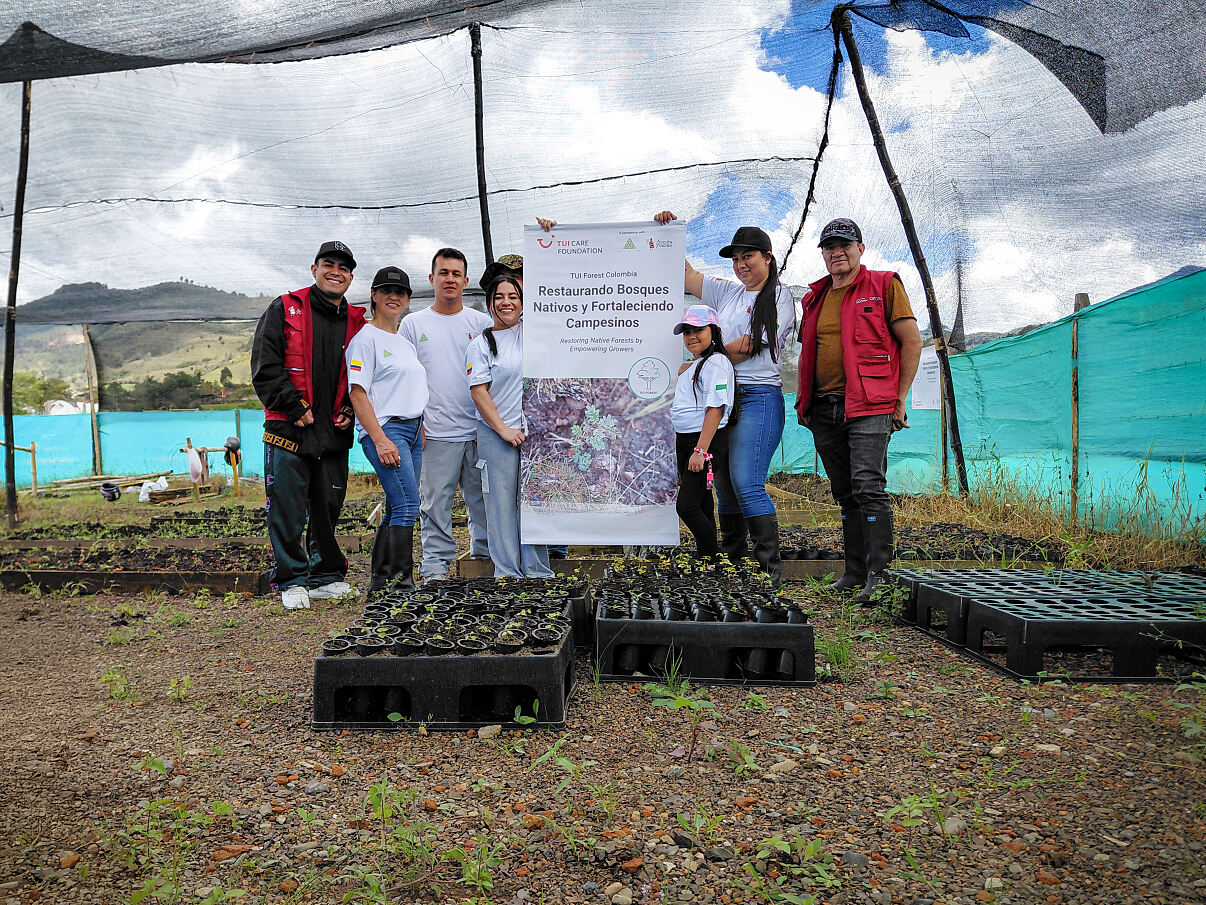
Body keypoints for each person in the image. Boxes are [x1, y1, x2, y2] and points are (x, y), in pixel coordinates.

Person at [654, 212, 797, 584]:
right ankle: (734, 564)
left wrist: (701, 361)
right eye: (735, 258)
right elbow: (685, 275)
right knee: (726, 488)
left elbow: (748, 346)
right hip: (728, 399)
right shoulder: (727, 290)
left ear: (767, 257)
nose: (741, 264)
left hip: (758, 396)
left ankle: (768, 570)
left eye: (748, 256)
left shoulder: (779, 297)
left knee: (747, 480)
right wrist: (670, 231)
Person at [795, 218, 922, 604]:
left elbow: (912, 342)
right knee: (845, 491)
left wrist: (899, 399)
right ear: (823, 254)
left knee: (868, 486)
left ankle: (880, 576)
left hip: (869, 404)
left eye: (845, 245)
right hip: (823, 406)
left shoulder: (884, 285)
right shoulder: (814, 298)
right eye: (829, 247)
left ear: (860, 248)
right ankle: (854, 573)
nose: (837, 252)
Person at [251, 240, 366, 610]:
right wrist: (293, 405)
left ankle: (325, 577)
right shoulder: (285, 309)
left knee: (328, 504)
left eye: (344, 267)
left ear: (351, 276)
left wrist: (349, 407)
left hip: (332, 432)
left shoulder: (357, 321)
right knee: (287, 506)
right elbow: (265, 366)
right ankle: (292, 579)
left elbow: (365, 374)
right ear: (313, 268)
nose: (336, 271)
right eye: (328, 264)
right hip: (289, 429)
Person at [399, 248, 493, 581]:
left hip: (481, 432)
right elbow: (404, 377)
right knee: (435, 503)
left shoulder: (481, 323)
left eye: (456, 273)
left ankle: (482, 558)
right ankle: (436, 566)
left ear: (466, 281)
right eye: (443, 273)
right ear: (432, 279)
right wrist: (416, 422)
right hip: (435, 432)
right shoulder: (412, 325)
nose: (450, 279)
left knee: (483, 500)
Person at [345, 266, 428, 595]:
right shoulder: (365, 340)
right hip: (387, 430)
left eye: (401, 293)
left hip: (412, 432)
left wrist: (419, 427)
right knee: (409, 504)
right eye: (386, 291)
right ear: (373, 297)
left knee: (397, 504)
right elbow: (357, 393)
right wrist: (379, 439)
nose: (394, 297)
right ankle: (402, 583)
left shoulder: (402, 341)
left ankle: (381, 580)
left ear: (407, 300)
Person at [466, 275, 554, 578]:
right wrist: (503, 429)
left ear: (522, 302)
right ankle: (507, 573)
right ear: (490, 303)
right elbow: (479, 391)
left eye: (513, 296)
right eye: (499, 297)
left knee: (534, 503)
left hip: (533, 435)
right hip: (496, 435)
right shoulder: (480, 345)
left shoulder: (532, 334)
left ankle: (537, 571)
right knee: (500, 505)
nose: (506, 302)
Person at [669, 305, 736, 559]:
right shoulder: (699, 364)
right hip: (687, 440)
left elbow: (716, 408)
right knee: (702, 502)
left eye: (698, 329)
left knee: (686, 506)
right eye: (687, 331)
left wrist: (700, 450)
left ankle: (712, 559)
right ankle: (706, 561)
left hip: (703, 441)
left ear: (714, 331)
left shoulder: (717, 362)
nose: (691, 336)